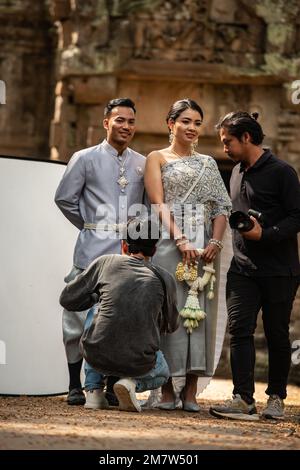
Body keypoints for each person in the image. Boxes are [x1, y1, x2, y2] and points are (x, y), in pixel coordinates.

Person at [55, 98, 147, 407]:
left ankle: (108, 384)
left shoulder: (142, 163)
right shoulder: (84, 158)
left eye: (131, 121)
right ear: (106, 122)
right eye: (120, 120)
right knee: (77, 317)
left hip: (125, 257)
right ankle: (74, 384)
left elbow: (147, 207)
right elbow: (65, 198)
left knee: (116, 320)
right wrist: (90, 226)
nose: (126, 126)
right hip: (91, 251)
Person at [209, 111, 300, 421]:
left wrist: (267, 233)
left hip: (279, 270)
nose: (224, 148)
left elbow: (297, 217)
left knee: (276, 334)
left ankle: (276, 397)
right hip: (242, 269)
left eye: (227, 142)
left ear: (246, 138)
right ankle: (243, 399)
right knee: (240, 330)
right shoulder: (235, 171)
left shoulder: (283, 172)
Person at [144, 99, 232, 411]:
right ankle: (167, 390)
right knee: (170, 313)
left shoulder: (209, 163)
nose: (191, 128)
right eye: (185, 121)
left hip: (205, 247)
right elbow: (157, 202)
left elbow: (222, 207)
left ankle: (191, 392)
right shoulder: (156, 158)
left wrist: (216, 243)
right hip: (169, 244)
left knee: (200, 316)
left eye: (197, 122)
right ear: (171, 124)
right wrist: (180, 239)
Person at [59, 217, 179, 412]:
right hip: (138, 361)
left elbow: (67, 299)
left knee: (97, 311)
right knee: (162, 373)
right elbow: (171, 326)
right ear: (154, 250)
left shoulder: (105, 262)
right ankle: (130, 384)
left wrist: (95, 297)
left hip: (96, 353)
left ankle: (93, 392)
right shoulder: (165, 278)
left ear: (123, 245)